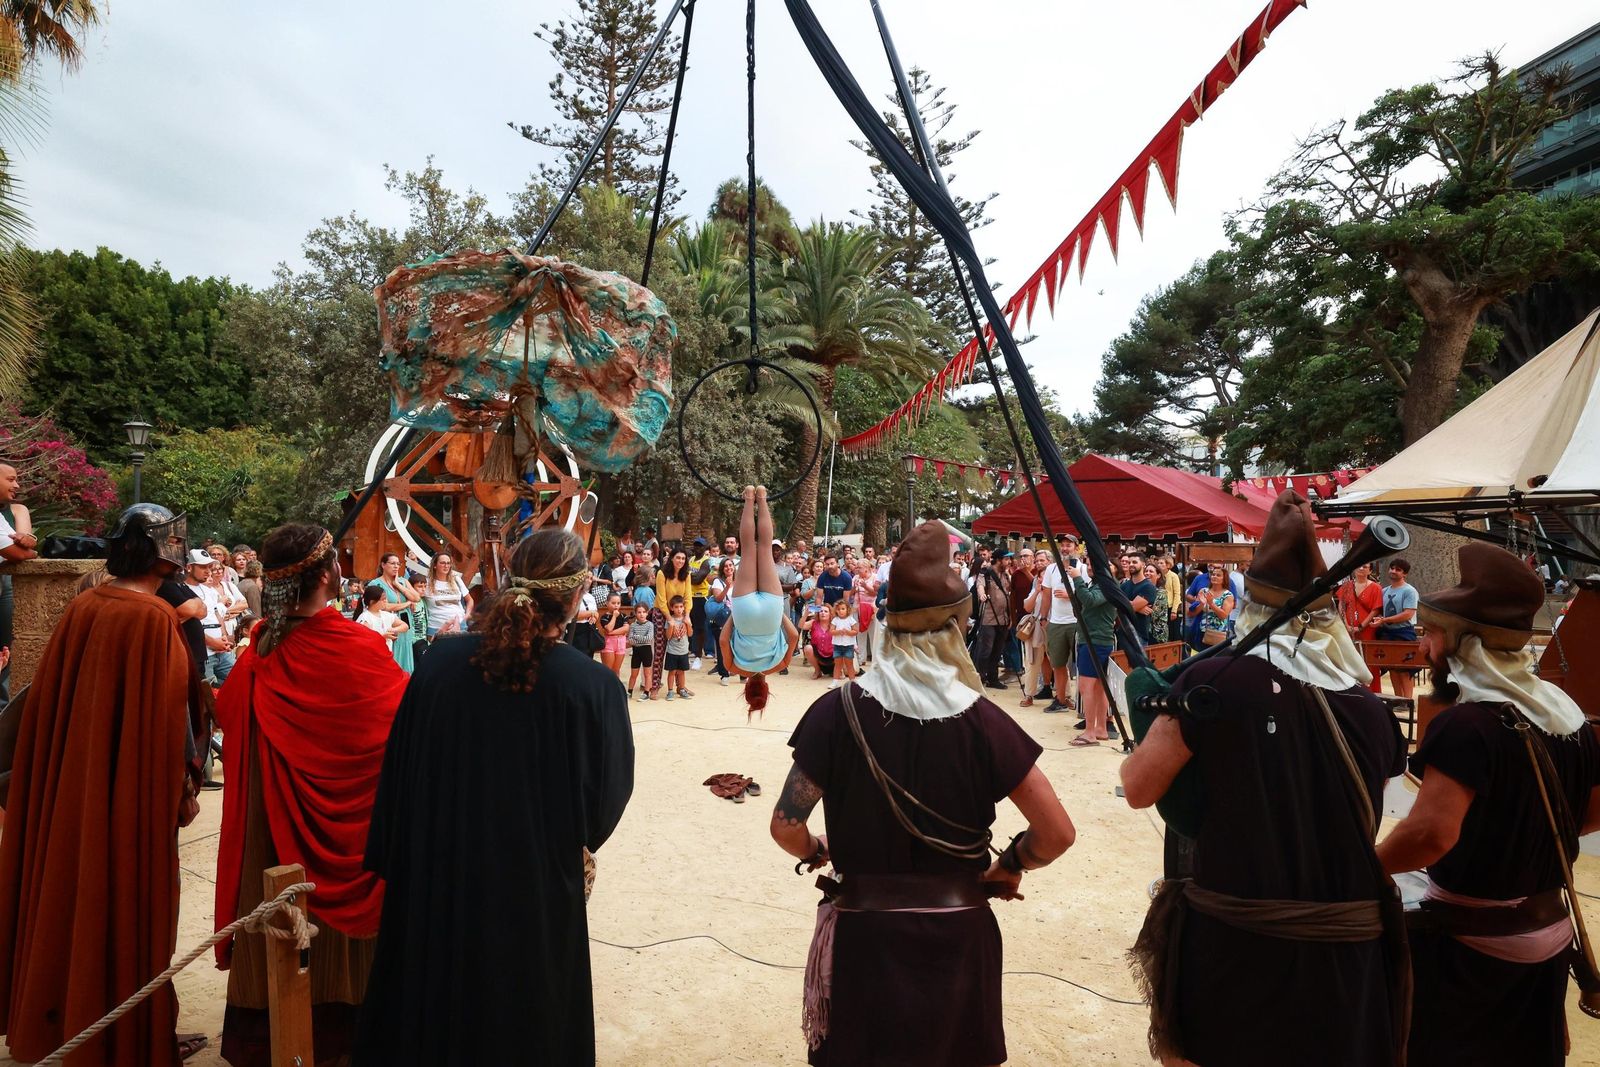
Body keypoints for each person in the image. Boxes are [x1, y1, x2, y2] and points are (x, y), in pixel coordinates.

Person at [771, 519, 1076, 1066]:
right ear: (958, 626)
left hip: (864, 935)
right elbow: (1057, 833)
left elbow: (786, 826)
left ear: (889, 625)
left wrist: (818, 852)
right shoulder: (983, 719)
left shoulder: (835, 712)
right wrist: (1010, 863)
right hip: (958, 935)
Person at [1121, 491, 1408, 1067]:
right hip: (1347, 946)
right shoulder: (1369, 706)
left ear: (1248, 601)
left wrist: (1151, 699)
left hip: (1237, 939)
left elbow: (1138, 786)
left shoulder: (1211, 684)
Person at [355, 529, 634, 1065]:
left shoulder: (437, 666)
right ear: (576, 597)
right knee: (527, 1017)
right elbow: (604, 801)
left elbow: (401, 773)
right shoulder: (592, 687)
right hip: (533, 885)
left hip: (438, 878)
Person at [1376, 543, 1600, 1066]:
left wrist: (1364, 866)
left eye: (1433, 635)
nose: (1426, 647)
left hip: (1473, 944)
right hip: (1547, 931)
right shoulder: (1568, 713)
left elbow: (1431, 835)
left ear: (1465, 644)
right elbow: (1588, 815)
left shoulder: (1467, 724)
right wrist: (1528, 844)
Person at [0, 503, 205, 1066]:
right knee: (125, 897)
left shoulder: (85, 606)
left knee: (74, 890)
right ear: (158, 550)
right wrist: (184, 787)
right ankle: (129, 1035)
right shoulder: (149, 620)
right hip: (131, 797)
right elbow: (171, 723)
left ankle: (69, 1019)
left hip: (81, 788)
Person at [213, 523, 410, 1067]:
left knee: (276, 903)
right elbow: (404, 733)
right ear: (329, 574)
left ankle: (270, 1037)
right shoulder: (360, 647)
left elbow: (227, 717)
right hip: (359, 835)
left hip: (273, 830)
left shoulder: (258, 655)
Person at [719, 486, 802, 718]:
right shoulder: (734, 668)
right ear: (747, 688)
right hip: (744, 615)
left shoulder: (778, 666)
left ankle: (762, 497)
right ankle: (749, 498)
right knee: (748, 550)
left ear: (766, 688)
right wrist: (734, 616)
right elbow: (724, 639)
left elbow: (793, 636)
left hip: (770, 616)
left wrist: (780, 616)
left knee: (764, 549)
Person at [1067, 553, 1117, 745]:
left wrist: (1077, 578)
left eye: (1093, 565)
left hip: (1095, 640)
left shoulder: (1106, 585)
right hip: (1094, 639)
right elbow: (1085, 606)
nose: (1089, 567)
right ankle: (1100, 729)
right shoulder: (1098, 584)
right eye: (1088, 564)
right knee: (1097, 688)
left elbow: (1090, 601)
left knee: (1087, 687)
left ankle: (1090, 732)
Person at [1034, 537, 1079, 714]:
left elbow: (1088, 593)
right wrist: (1044, 617)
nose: (1065, 548)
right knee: (1058, 664)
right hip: (1056, 622)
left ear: (1076, 547)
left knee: (1081, 667)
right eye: (1063, 545)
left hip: (1077, 622)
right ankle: (1060, 699)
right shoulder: (1052, 569)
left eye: (1069, 545)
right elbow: (1046, 595)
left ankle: (1082, 703)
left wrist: (1070, 595)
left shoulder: (1082, 568)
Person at [1375, 558, 1420, 700]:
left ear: (1404, 574)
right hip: (1387, 633)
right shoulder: (1384, 591)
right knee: (1392, 668)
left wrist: (1385, 620)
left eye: (1398, 569)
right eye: (1392, 568)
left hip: (1404, 632)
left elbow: (1408, 614)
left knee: (1405, 670)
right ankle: (1398, 699)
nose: (1393, 571)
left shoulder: (1409, 591)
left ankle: (1407, 701)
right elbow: (1380, 611)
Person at [368, 552, 422, 672]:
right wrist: (407, 603)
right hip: (389, 625)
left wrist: (397, 584)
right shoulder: (375, 584)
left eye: (398, 564)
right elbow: (383, 606)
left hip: (406, 623)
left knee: (406, 654)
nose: (396, 566)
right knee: (392, 654)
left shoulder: (403, 581)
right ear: (383, 565)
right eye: (392, 563)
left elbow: (417, 598)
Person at [1337, 560, 1384, 693]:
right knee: (1348, 657)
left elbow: (1376, 610)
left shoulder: (1376, 588)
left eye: (1365, 566)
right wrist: (1346, 624)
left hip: (1367, 629)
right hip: (1347, 629)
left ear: (1370, 571)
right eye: (1359, 565)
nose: (1361, 568)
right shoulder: (1347, 586)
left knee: (1368, 659)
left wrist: (1362, 626)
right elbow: (1341, 605)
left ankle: (1371, 691)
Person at [973, 550, 1013, 689]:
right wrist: (982, 594)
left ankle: (993, 679)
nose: (1009, 562)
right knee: (986, 650)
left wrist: (1011, 617)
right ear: (998, 560)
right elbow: (979, 586)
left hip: (1003, 618)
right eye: (1006, 559)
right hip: (988, 617)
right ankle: (979, 677)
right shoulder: (986, 572)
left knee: (997, 650)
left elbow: (1009, 593)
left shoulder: (1006, 574)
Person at [419, 552, 473, 639]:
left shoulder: (456, 579)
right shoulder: (426, 583)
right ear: (435, 565)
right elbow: (416, 597)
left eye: (448, 563)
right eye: (442, 563)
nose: (446, 566)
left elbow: (469, 600)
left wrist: (467, 615)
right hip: (437, 627)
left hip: (460, 626)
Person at [707, 557, 737, 686]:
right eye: (726, 566)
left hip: (738, 616)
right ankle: (724, 674)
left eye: (731, 565)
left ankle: (742, 673)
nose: (729, 568)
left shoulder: (741, 581)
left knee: (739, 645)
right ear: (722, 569)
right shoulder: (718, 582)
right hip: (723, 618)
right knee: (723, 645)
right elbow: (718, 599)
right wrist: (728, 586)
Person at [1190, 565, 1235, 646]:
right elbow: (1192, 613)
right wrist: (1202, 604)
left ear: (1224, 579)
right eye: (1213, 574)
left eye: (1218, 575)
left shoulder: (1228, 595)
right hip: (1202, 631)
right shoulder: (1203, 591)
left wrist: (1211, 603)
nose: (1214, 576)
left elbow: (1223, 615)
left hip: (1219, 634)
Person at [357, 584, 409, 649]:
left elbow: (405, 626)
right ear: (372, 602)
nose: (385, 601)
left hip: (387, 654)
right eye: (383, 599)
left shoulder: (386, 615)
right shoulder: (365, 618)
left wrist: (393, 629)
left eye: (385, 598)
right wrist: (383, 636)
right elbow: (366, 642)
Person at [663, 595, 693, 700]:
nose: (679, 609)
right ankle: (670, 691)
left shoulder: (686, 620)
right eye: (676, 607)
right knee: (672, 672)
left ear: (684, 607)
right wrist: (671, 626)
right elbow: (668, 636)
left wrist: (688, 624)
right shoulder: (670, 621)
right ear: (671, 608)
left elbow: (690, 634)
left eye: (681, 606)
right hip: (672, 651)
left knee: (681, 672)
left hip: (683, 650)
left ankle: (682, 689)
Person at [625, 603, 655, 699]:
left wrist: (636, 637)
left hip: (646, 651)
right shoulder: (633, 625)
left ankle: (646, 692)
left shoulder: (650, 625)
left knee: (647, 673)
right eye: (639, 612)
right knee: (634, 673)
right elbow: (630, 640)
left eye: (644, 612)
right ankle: (629, 692)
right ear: (635, 613)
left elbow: (649, 638)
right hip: (636, 652)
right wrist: (638, 639)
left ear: (647, 613)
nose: (641, 614)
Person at [828, 597, 858, 689]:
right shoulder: (835, 620)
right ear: (836, 610)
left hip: (848, 646)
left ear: (847, 609)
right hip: (837, 646)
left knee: (849, 664)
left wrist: (848, 632)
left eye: (843, 609)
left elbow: (855, 631)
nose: (841, 611)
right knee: (837, 664)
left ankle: (852, 681)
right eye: (838, 609)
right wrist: (838, 632)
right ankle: (835, 681)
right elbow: (831, 631)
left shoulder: (851, 619)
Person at [598, 592, 629, 678]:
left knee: (616, 670)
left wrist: (611, 633)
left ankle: (616, 689)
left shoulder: (623, 616)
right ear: (607, 603)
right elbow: (609, 628)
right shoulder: (604, 617)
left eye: (618, 603)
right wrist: (614, 616)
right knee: (608, 670)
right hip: (609, 643)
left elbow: (626, 629)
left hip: (621, 642)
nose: (616, 606)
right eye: (613, 603)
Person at [1143, 562, 1170, 643]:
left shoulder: (1161, 593)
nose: (1147, 573)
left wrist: (1138, 607)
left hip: (1157, 634)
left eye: (1151, 571)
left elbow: (1154, 613)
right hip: (1144, 631)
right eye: (1146, 571)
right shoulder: (1142, 590)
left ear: (1158, 575)